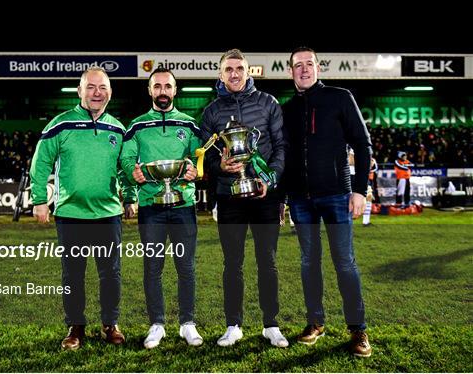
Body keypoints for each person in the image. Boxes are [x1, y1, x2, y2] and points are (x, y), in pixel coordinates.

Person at [30, 66, 135, 350]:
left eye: (102, 88)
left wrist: (129, 197)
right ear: (80, 91)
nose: (97, 93)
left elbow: (125, 169)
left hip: (108, 214)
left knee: (111, 273)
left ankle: (110, 324)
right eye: (91, 87)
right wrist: (40, 199)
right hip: (70, 214)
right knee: (72, 275)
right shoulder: (60, 124)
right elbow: (41, 162)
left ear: (110, 93)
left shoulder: (118, 128)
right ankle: (75, 327)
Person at [281, 47, 372, 357]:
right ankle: (315, 322)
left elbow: (362, 143)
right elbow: (285, 157)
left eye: (309, 64)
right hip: (300, 199)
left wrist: (359, 189)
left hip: (336, 195)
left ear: (318, 67)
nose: (304, 69)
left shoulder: (340, 97)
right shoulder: (287, 109)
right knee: (309, 263)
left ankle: (358, 329)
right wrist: (283, 199)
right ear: (290, 71)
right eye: (298, 65)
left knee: (345, 262)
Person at [200, 49, 288, 348]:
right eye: (228, 69)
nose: (234, 74)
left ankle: (271, 324)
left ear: (249, 72)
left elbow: (280, 148)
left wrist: (268, 178)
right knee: (232, 263)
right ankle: (233, 325)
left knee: (268, 261)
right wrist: (219, 166)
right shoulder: (212, 111)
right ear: (220, 74)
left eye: (239, 68)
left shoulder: (268, 103)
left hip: (264, 195)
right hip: (228, 195)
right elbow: (205, 158)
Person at [120, 68, 203, 349]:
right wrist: (134, 172)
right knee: (153, 267)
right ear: (150, 91)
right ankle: (157, 324)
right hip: (150, 207)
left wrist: (194, 169)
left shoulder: (190, 124)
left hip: (183, 205)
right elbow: (127, 159)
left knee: (186, 267)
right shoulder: (137, 125)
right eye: (157, 86)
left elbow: (198, 156)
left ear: (175, 90)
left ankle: (187, 324)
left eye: (168, 86)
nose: (163, 91)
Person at [363, 157, 378, 226]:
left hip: (370, 180)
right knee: (368, 198)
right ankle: (365, 221)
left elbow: (375, 168)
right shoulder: (361, 157)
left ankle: (366, 221)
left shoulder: (372, 159)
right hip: (364, 179)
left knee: (369, 199)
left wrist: (369, 168)